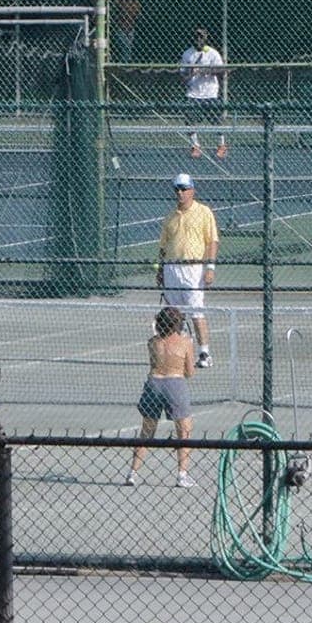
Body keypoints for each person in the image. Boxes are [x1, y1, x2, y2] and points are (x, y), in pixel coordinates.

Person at [127, 308, 198, 489]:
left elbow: (155, 362)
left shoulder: (152, 342)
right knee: (184, 431)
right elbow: (190, 372)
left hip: (154, 384)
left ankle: (133, 473)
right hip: (175, 384)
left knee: (147, 431)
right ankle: (182, 475)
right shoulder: (186, 342)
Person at [156, 174, 219, 369]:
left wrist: (209, 267)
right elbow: (163, 247)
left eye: (184, 189)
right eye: (177, 189)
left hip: (193, 269)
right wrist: (160, 270)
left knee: (196, 312)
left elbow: (212, 241)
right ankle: (179, 353)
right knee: (174, 315)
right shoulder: (170, 217)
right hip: (172, 269)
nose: (180, 193)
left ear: (192, 190)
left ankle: (204, 353)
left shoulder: (204, 212)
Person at [179, 27, 228, 160]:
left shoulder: (213, 53)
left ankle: (221, 145)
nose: (199, 39)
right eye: (196, 37)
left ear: (206, 38)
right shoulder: (187, 54)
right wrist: (191, 72)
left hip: (210, 92)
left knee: (216, 120)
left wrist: (208, 70)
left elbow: (222, 73)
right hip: (193, 93)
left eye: (201, 37)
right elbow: (182, 78)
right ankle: (195, 146)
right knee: (190, 120)